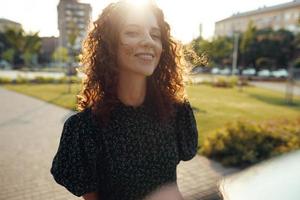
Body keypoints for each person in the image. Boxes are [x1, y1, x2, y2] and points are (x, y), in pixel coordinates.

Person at [50, 1, 198, 200]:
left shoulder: (177, 112)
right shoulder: (84, 129)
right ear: (109, 45)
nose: (148, 41)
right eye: (132, 32)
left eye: (155, 35)